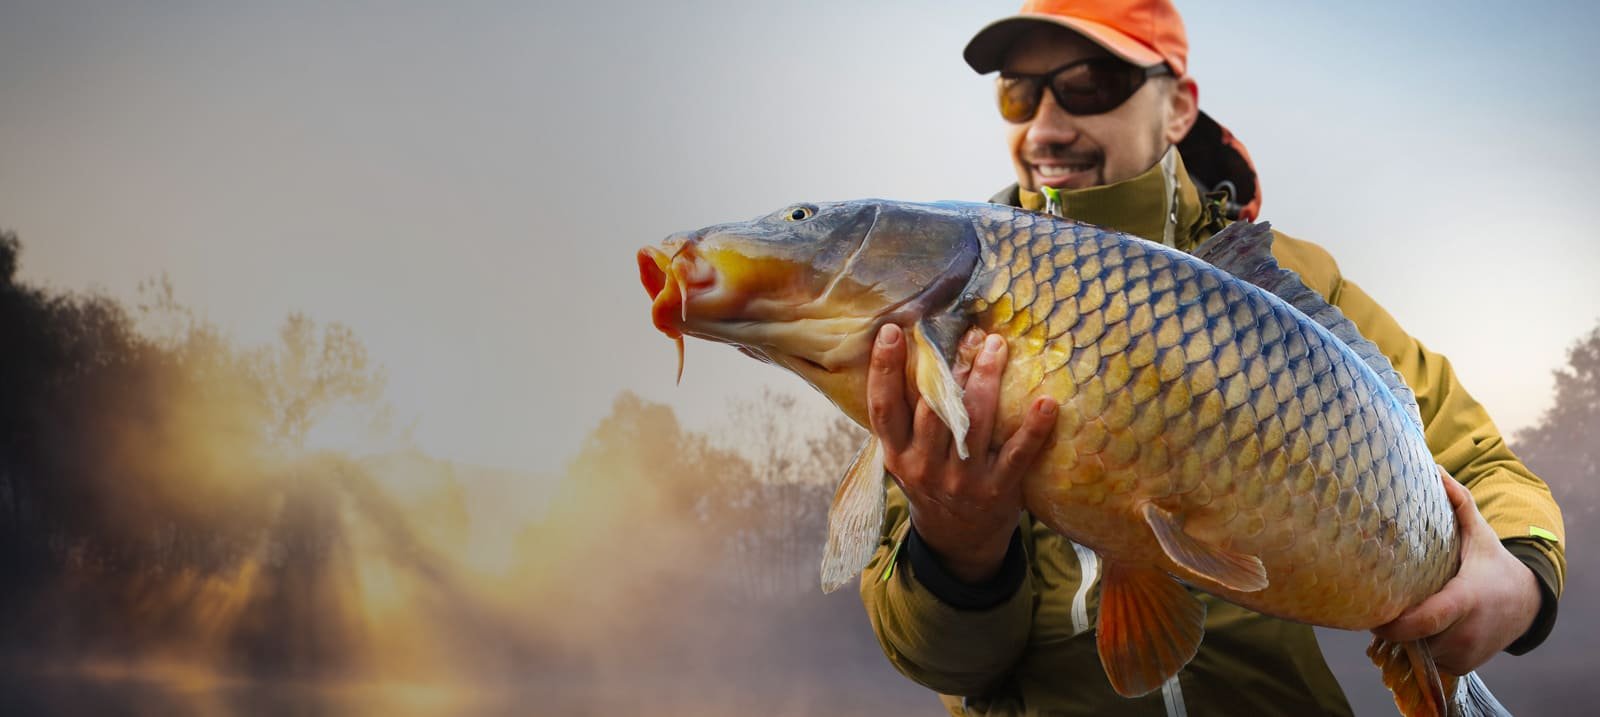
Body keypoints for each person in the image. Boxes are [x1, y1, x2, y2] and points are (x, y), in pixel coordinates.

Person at [857, 1, 1567, 714]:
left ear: (1177, 110)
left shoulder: (1294, 283)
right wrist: (958, 549)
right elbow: (937, 657)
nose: (1043, 126)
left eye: (1090, 85)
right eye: (1019, 90)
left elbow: (1485, 467)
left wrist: (1523, 581)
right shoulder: (941, 302)